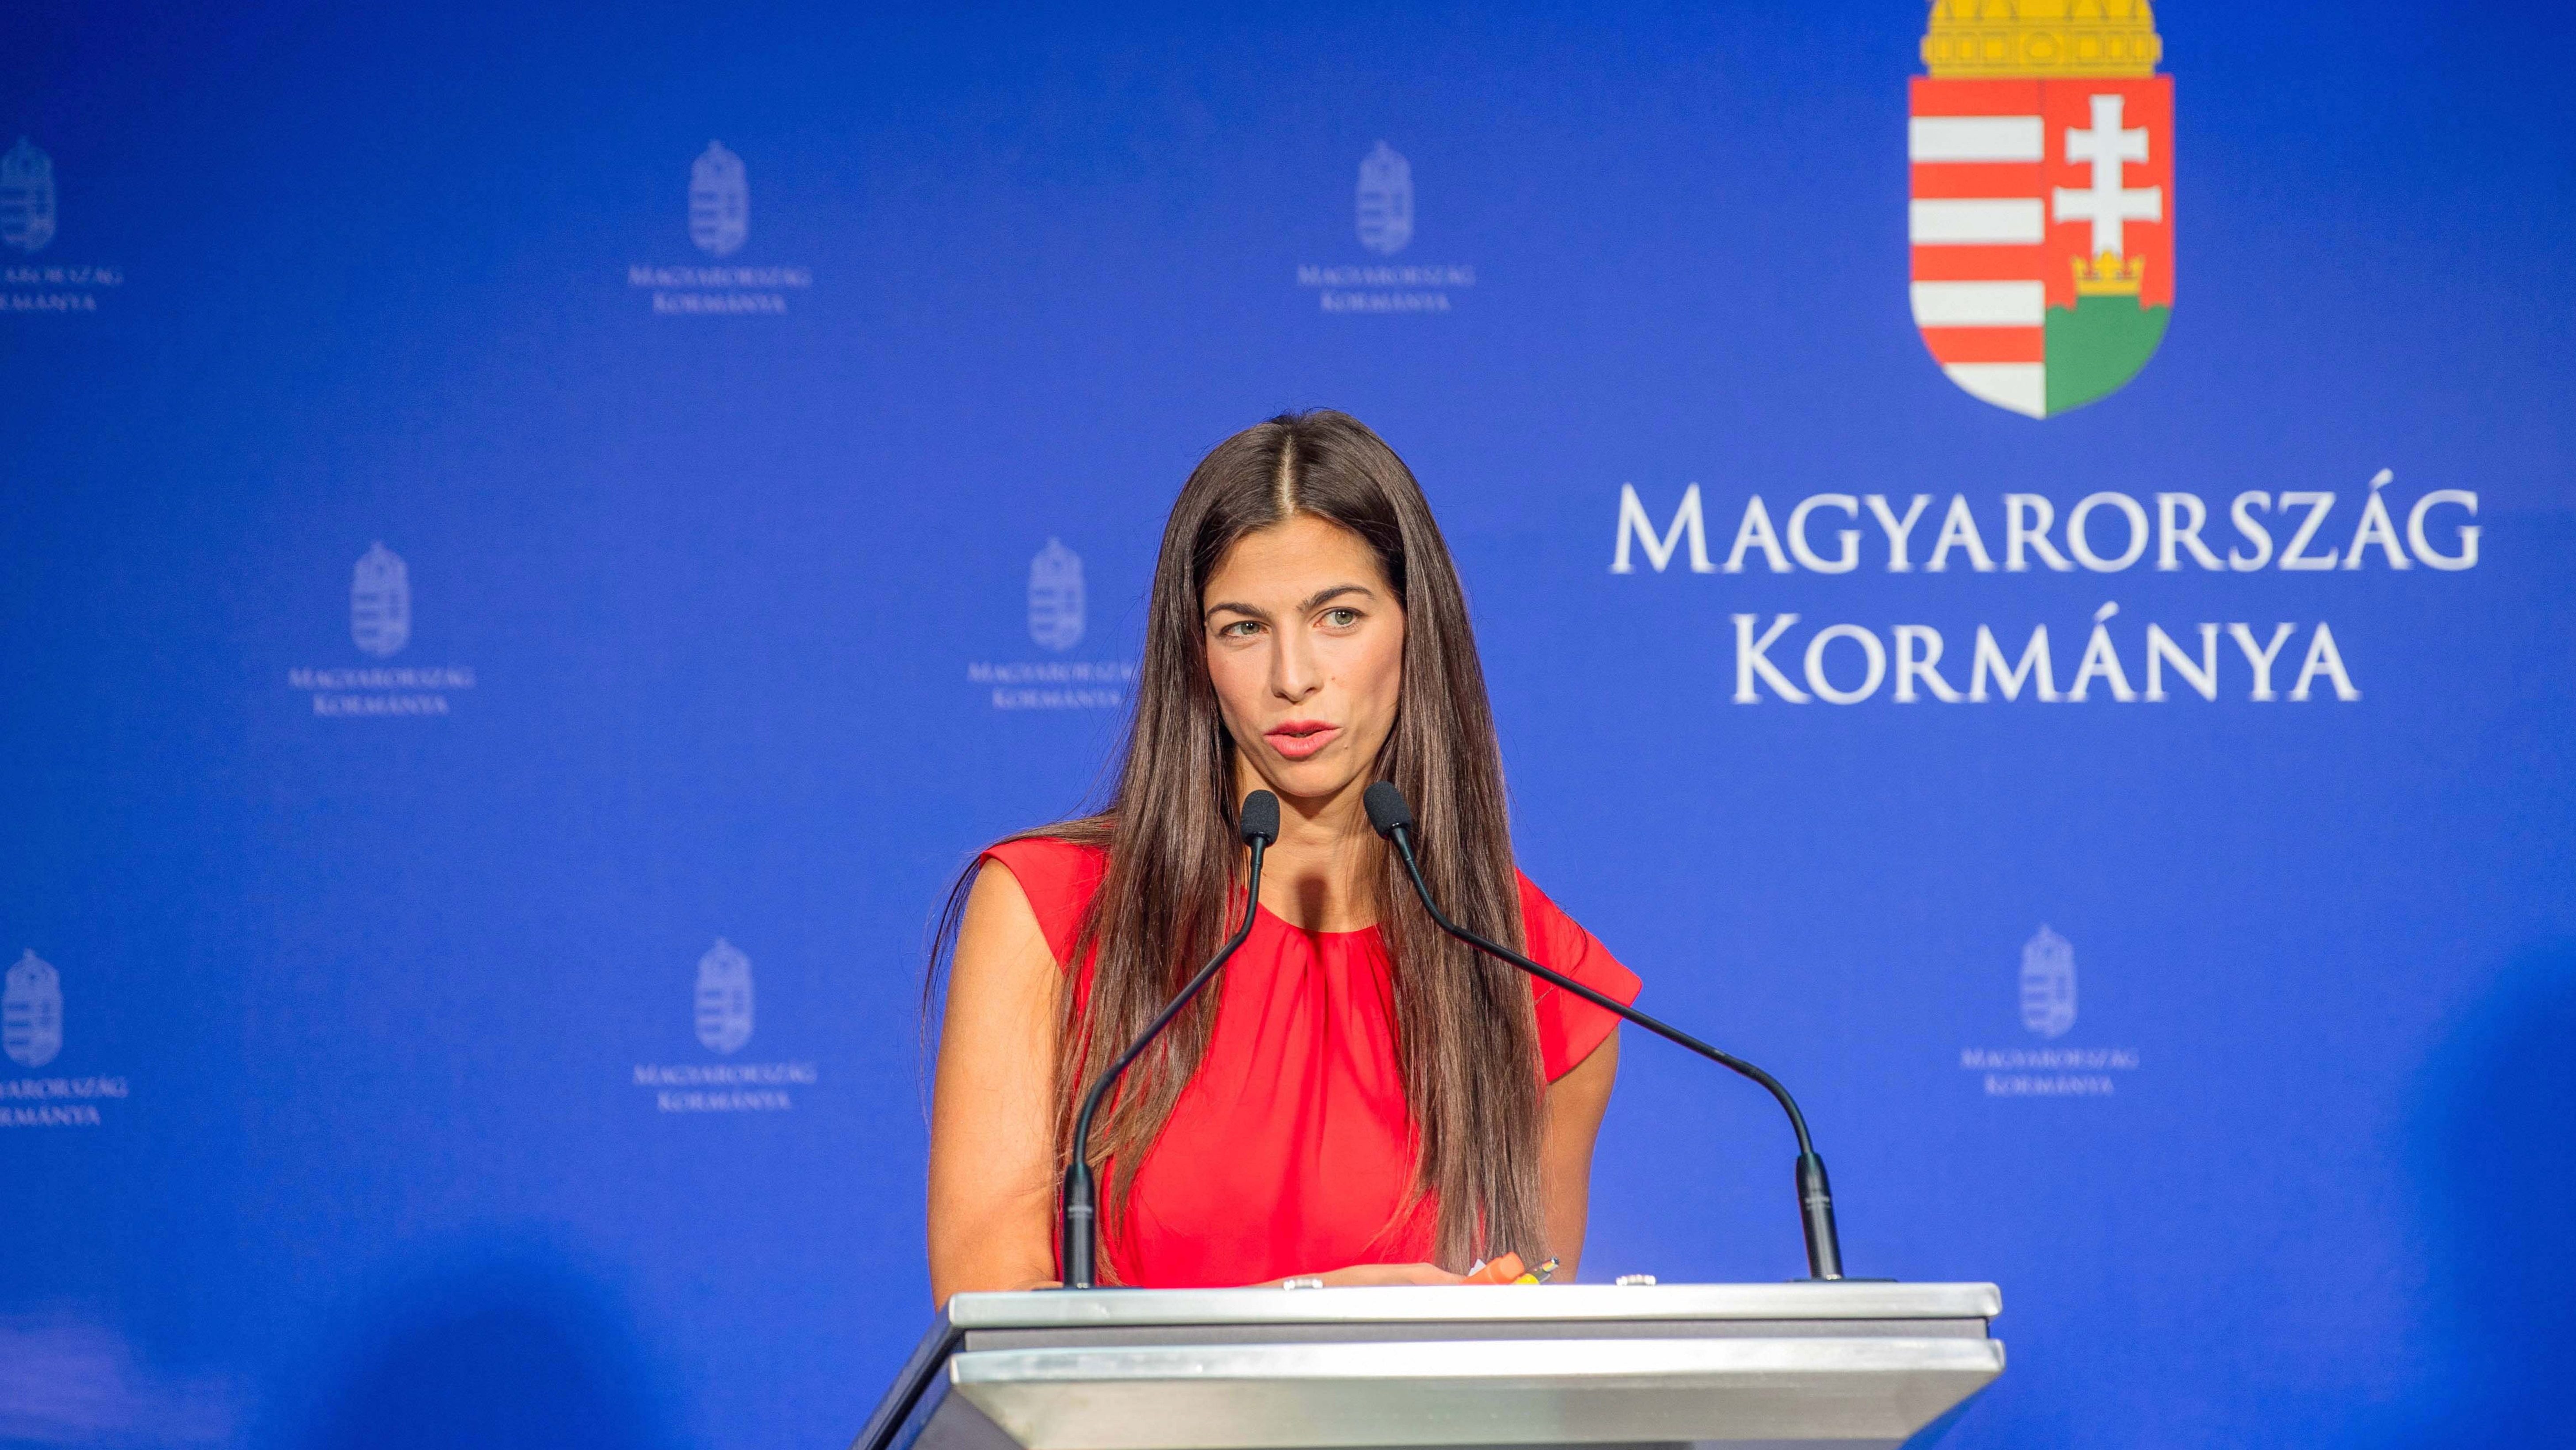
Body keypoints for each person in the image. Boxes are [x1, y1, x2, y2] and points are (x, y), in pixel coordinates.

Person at [926, 410, 1639, 1301]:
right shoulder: (1052, 908)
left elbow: (1528, 1344)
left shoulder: (1537, 971)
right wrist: (1307, 1322)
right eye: (1243, 628)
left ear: (1416, 627)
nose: (1292, 676)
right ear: (1196, 654)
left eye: (1339, 616)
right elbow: (996, 1312)